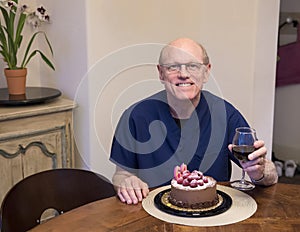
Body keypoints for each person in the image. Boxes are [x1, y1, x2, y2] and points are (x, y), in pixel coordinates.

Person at [110, 38, 278, 204]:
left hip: (212, 218)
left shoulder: (225, 114)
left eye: (193, 66)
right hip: (154, 216)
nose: (183, 74)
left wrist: (261, 171)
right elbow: (121, 174)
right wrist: (126, 182)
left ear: (206, 72)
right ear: (161, 73)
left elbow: (269, 173)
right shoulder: (136, 116)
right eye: (173, 67)